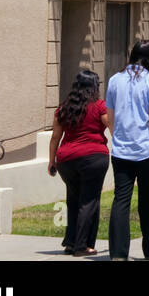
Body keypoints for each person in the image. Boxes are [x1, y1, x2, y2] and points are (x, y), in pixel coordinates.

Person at [106, 40, 149, 261]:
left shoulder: (114, 80)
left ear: (131, 56)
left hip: (121, 151)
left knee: (120, 200)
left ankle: (117, 253)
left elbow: (110, 118)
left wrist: (118, 137)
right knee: (146, 201)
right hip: (146, 151)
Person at [48, 69, 110, 257]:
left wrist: (52, 161)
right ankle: (82, 246)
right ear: (94, 86)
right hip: (93, 157)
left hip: (66, 160)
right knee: (89, 202)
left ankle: (71, 242)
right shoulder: (100, 106)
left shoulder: (64, 108)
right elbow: (113, 125)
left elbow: (55, 137)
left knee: (73, 200)